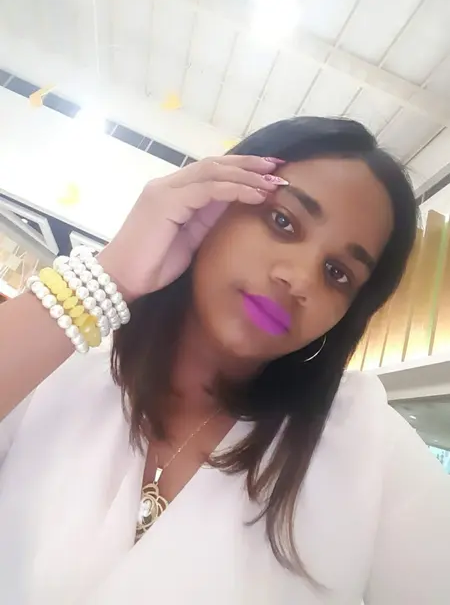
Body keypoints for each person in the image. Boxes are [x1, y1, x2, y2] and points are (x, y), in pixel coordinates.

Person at [0, 117, 449, 604]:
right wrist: (114, 275)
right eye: (283, 221)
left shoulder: (365, 445)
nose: (300, 279)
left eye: (337, 273)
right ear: (212, 205)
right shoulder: (58, 368)